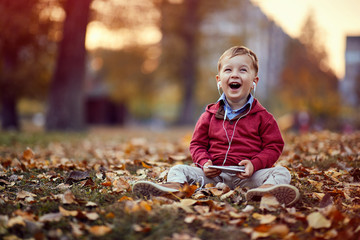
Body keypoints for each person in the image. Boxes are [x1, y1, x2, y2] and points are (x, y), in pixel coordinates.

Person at [132, 46, 300, 206]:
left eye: (243, 70)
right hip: (214, 176)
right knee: (178, 169)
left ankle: (263, 191)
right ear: (219, 80)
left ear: (254, 81)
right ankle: (174, 188)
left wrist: (254, 164)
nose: (235, 75)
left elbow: (274, 146)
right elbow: (197, 144)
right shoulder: (209, 115)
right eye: (228, 70)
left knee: (282, 172)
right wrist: (204, 163)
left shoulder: (264, 117)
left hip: (248, 176)